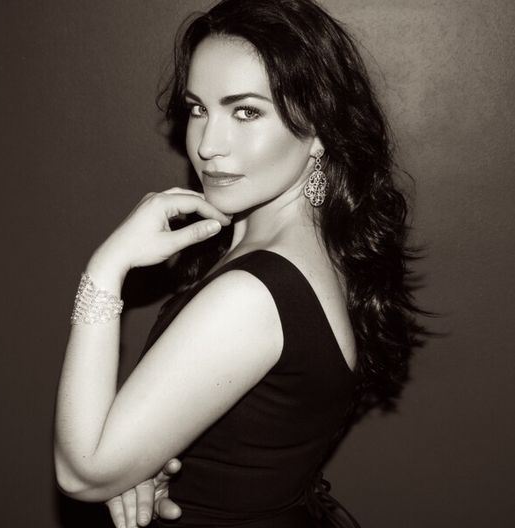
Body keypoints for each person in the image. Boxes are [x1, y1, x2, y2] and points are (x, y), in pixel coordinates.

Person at [54, 0, 425, 526]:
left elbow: (83, 473)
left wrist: (104, 269)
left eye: (246, 111)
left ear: (318, 128)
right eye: (198, 109)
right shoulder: (314, 250)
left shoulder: (254, 293)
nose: (208, 145)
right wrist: (144, 459)